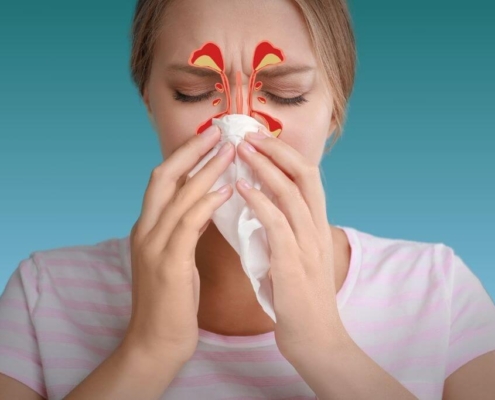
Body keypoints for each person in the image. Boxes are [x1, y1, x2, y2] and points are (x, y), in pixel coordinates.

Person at [1, 0, 494, 399]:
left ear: (335, 109)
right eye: (192, 92)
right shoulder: (42, 296)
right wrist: (149, 351)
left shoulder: (439, 293)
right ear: (149, 99)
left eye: (285, 93)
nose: (237, 132)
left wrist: (326, 348)